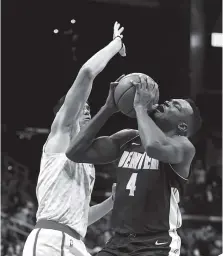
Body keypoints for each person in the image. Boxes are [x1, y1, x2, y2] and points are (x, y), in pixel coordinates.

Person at [67, 74, 202, 256]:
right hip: (119, 242)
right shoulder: (128, 138)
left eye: (175, 106)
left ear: (182, 127)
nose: (168, 102)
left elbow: (153, 147)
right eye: (170, 100)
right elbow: (74, 152)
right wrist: (108, 108)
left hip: (157, 244)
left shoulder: (183, 146)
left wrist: (140, 108)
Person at [22, 22, 126, 256]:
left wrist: (111, 202)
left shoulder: (85, 158)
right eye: (83, 106)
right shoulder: (60, 136)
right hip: (51, 241)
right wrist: (115, 44)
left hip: (73, 242)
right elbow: (88, 73)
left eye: (89, 106)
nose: (87, 109)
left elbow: (79, 218)